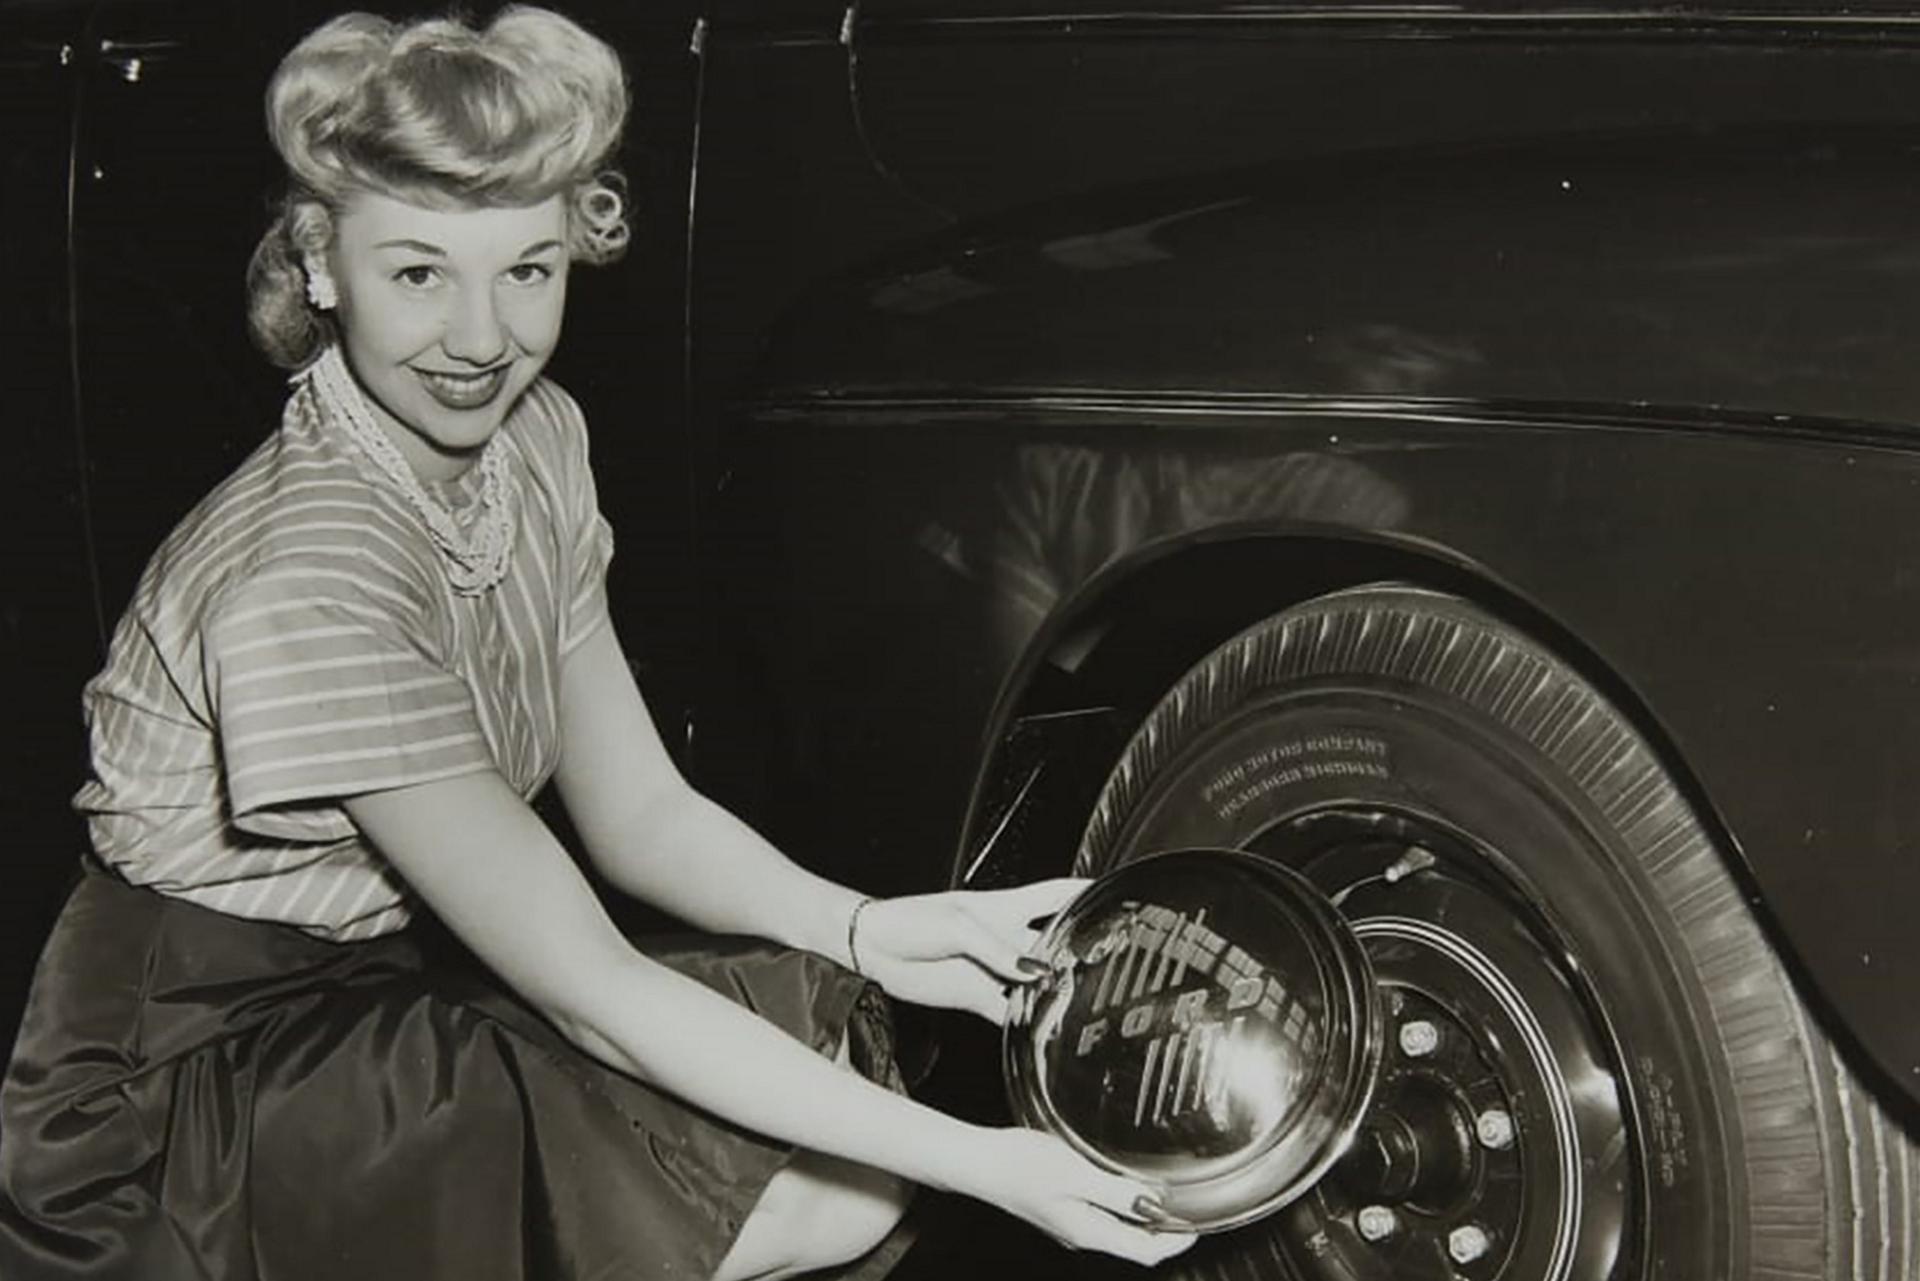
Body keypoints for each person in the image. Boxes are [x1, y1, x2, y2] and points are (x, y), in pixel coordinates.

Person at [0, 8, 1196, 1279]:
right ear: (320, 264)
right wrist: (997, 1166)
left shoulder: (532, 444)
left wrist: (875, 929)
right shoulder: (307, 578)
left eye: (527, 269)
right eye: (418, 273)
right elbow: (597, 992)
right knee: (817, 1191)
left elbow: (640, 815)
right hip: (182, 1075)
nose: (480, 339)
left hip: (377, 990)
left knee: (837, 1118)